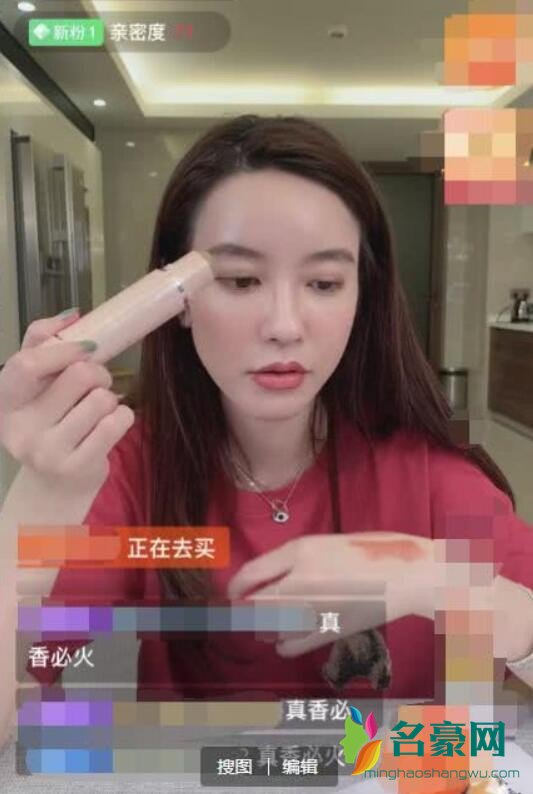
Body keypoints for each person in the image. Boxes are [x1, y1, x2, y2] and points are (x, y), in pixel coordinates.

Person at [1, 115, 533, 720]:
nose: (284, 325)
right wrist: (39, 499)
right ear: (177, 303)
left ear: (362, 298)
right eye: (241, 279)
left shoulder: (431, 475)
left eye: (324, 283)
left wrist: (437, 579)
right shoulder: (126, 470)